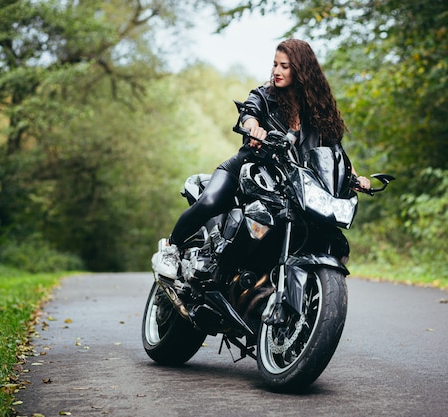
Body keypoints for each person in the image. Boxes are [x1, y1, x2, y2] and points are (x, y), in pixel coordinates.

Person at [152, 38, 371, 279]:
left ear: (302, 70)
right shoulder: (265, 95)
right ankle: (171, 247)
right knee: (211, 201)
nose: (277, 71)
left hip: (289, 184)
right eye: (275, 64)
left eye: (284, 66)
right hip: (247, 169)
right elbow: (250, 112)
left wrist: (353, 177)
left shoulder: (319, 112)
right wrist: (254, 128)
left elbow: (334, 151)